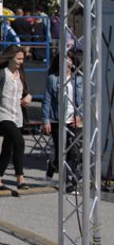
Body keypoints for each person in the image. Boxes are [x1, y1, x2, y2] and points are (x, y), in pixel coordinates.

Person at [0, 45, 32, 190]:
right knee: (19, 142)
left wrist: (28, 97)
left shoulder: (21, 74)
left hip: (17, 115)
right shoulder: (1, 74)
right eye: (19, 59)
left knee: (8, 148)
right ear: (10, 58)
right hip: (3, 114)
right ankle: (20, 177)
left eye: (23, 59)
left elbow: (26, 92)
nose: (21, 62)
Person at [43, 50, 83, 189]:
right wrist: (46, 120)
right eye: (65, 59)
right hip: (57, 120)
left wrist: (80, 116)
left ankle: (70, 182)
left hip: (74, 120)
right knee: (62, 152)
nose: (67, 62)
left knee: (74, 152)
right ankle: (53, 164)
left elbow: (82, 100)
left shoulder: (78, 79)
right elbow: (47, 100)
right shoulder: (53, 79)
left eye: (70, 59)